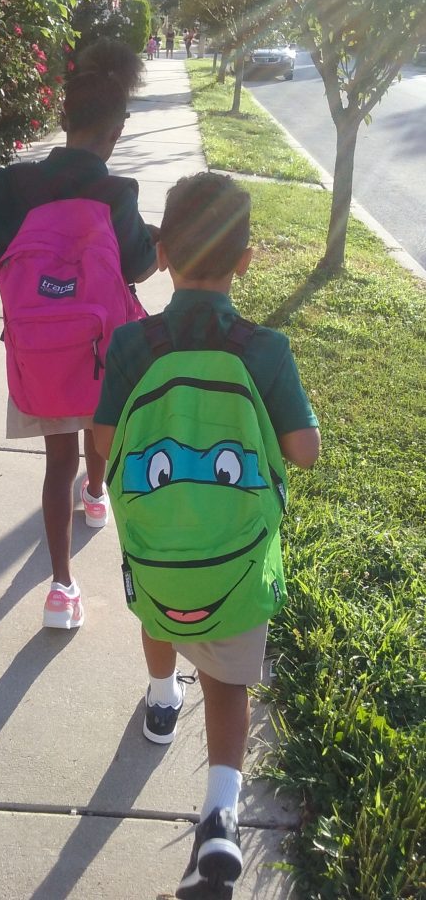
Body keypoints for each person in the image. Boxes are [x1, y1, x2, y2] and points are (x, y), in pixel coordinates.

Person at [93, 172, 320, 899]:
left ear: (161, 251)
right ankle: (219, 815)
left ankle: (162, 698)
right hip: (236, 557)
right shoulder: (266, 348)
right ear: (246, 260)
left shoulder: (134, 343)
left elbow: (102, 441)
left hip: (156, 544)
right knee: (229, 680)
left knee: (158, 613)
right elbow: (303, 451)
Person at [0, 40, 157, 631]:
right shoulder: (118, 194)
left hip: (39, 353)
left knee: (58, 461)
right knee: (96, 432)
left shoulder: (18, 184)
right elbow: (136, 267)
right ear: (117, 130)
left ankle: (61, 590)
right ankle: (97, 495)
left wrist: (1, 246)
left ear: (63, 118)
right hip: (100, 354)